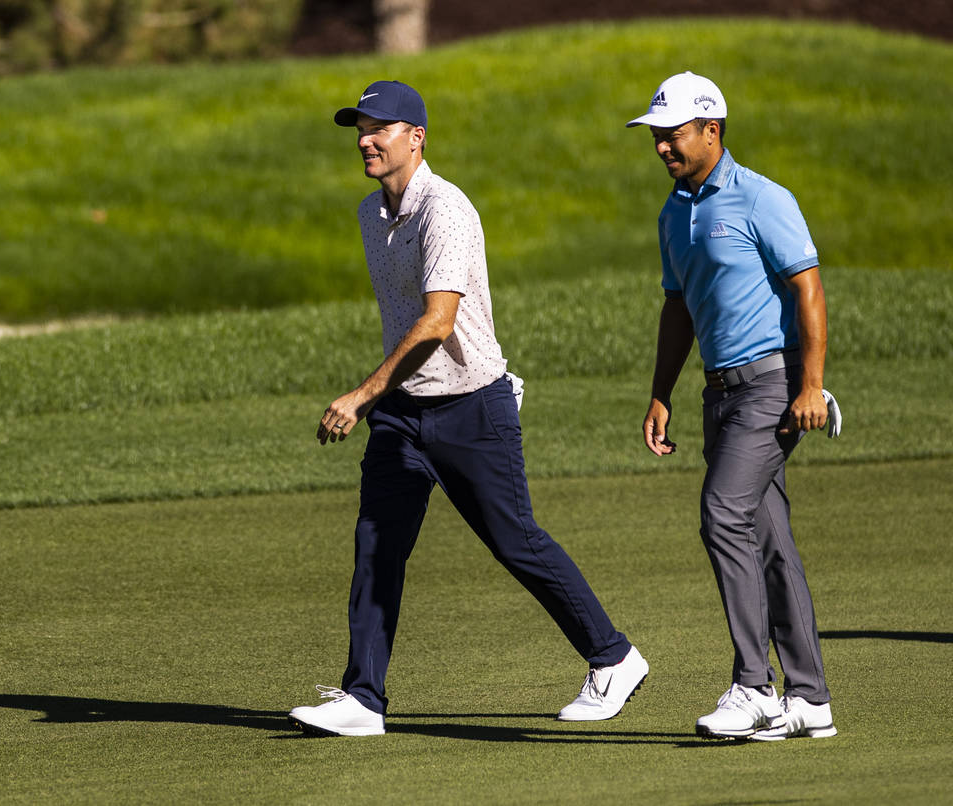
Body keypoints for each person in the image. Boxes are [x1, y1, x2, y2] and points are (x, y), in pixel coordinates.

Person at [287, 80, 647, 737]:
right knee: (377, 546)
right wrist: (387, 400)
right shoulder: (372, 214)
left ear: (416, 137)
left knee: (515, 541)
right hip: (405, 413)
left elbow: (436, 322)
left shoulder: (445, 209)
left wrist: (363, 395)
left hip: (472, 407)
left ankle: (614, 657)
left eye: (380, 127)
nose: (365, 139)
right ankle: (363, 699)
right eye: (359, 128)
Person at [627, 71, 838, 741]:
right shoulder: (673, 212)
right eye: (656, 136)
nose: (662, 146)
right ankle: (810, 698)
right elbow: (678, 306)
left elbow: (808, 288)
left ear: (712, 130)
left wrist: (812, 385)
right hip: (718, 394)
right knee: (769, 537)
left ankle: (755, 687)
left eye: (673, 135)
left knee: (723, 513)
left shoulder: (761, 198)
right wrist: (661, 391)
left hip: (772, 388)